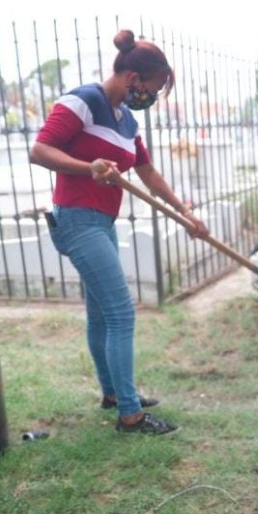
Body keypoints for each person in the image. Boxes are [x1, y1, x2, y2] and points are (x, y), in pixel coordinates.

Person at [30, 29, 207, 435]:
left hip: (102, 223)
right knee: (121, 313)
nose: (153, 96)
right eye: (154, 87)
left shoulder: (127, 121)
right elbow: (40, 150)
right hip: (76, 220)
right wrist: (87, 166)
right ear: (133, 79)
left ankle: (113, 394)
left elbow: (147, 172)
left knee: (101, 316)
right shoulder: (84, 101)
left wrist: (185, 212)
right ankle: (130, 416)